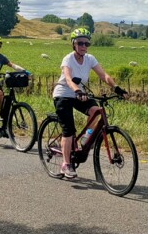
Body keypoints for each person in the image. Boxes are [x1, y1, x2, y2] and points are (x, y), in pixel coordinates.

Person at [52, 27, 126, 179]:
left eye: (86, 43)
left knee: (95, 110)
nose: (83, 46)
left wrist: (116, 88)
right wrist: (77, 90)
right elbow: (68, 79)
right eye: (80, 43)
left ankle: (87, 136)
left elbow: (103, 75)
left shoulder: (90, 59)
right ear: (74, 44)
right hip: (63, 94)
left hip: (80, 94)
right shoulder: (68, 59)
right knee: (68, 130)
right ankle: (66, 164)